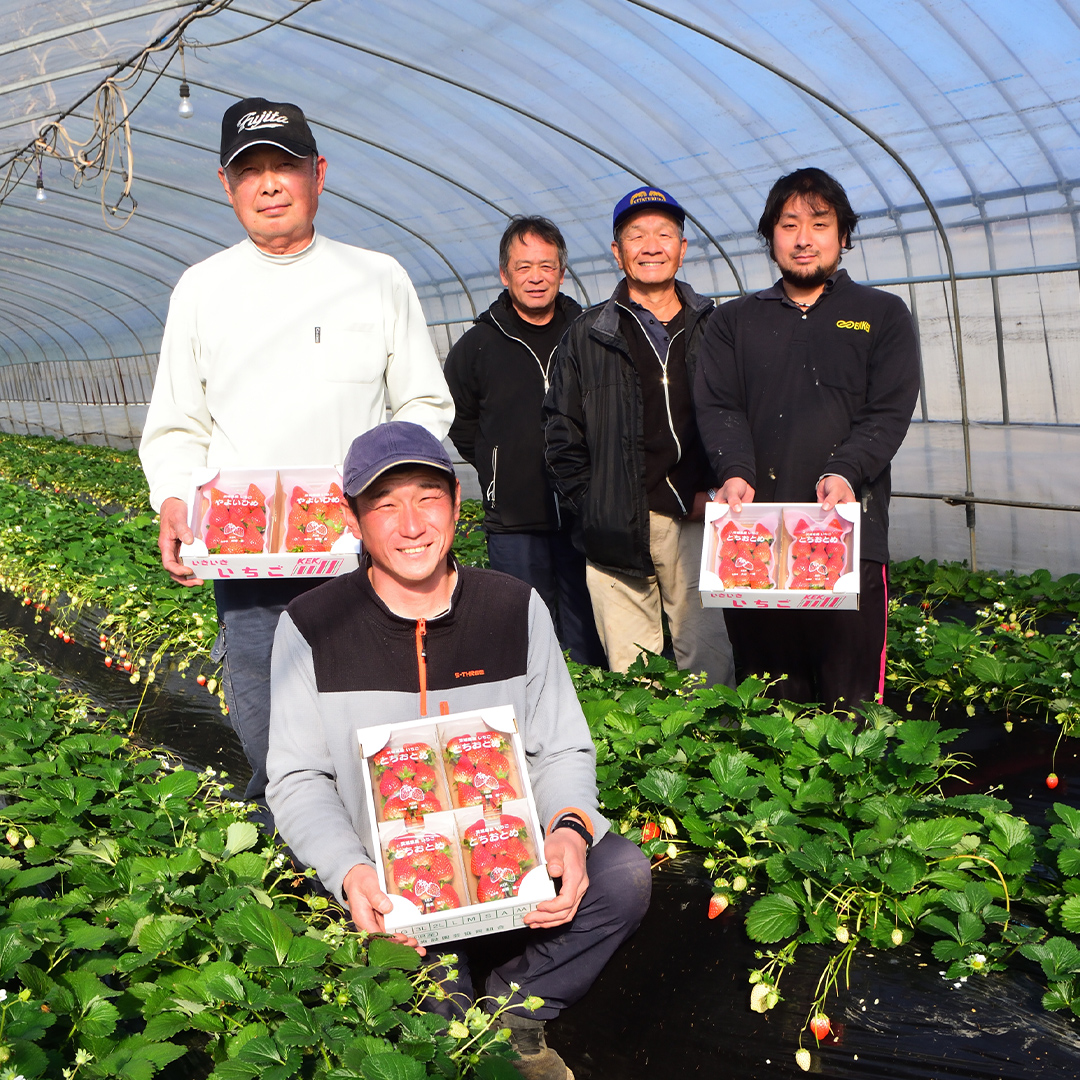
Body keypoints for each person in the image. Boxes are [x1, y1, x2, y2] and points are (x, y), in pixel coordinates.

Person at [265, 422, 651, 1080]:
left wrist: (567, 829)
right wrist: (354, 873)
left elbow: (560, 745)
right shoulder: (311, 624)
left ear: (456, 505)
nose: (411, 524)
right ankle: (449, 1002)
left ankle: (516, 1007)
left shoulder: (512, 606)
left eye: (427, 498)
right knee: (437, 1038)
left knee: (622, 878)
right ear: (353, 519)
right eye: (385, 504)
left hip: (502, 858)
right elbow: (298, 779)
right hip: (392, 881)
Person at [138, 97, 454, 814]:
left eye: (287, 166)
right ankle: (291, 869)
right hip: (248, 566)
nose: (271, 184)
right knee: (268, 721)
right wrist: (175, 498)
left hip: (362, 557)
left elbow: (424, 406)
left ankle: (394, 862)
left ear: (320, 175)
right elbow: (177, 423)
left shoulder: (376, 278)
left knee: (379, 717)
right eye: (252, 171)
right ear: (227, 185)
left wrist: (384, 496)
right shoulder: (202, 289)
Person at [694, 167, 921, 708]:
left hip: (846, 532)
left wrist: (845, 470)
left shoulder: (880, 315)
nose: (803, 238)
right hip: (755, 540)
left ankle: (853, 791)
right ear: (770, 236)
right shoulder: (733, 323)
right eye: (788, 224)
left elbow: (887, 412)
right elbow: (719, 406)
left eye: (819, 224)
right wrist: (735, 472)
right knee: (771, 693)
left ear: (843, 235)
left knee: (852, 697)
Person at [543, 187, 734, 687]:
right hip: (616, 523)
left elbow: (742, 416)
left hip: (697, 519)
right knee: (633, 676)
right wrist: (596, 503)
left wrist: (717, 493)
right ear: (616, 251)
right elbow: (560, 434)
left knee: (710, 663)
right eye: (637, 235)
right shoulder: (588, 334)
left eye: (664, 234)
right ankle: (652, 766)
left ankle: (716, 759)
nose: (651, 245)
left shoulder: (716, 326)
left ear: (683, 246)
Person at [444, 215, 605, 666]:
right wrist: (494, 467)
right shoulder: (478, 345)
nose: (536, 277)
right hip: (514, 518)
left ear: (561, 272)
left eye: (547, 266)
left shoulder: (588, 334)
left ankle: (591, 716)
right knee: (526, 631)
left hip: (583, 513)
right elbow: (459, 415)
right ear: (504, 274)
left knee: (587, 632)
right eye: (523, 267)